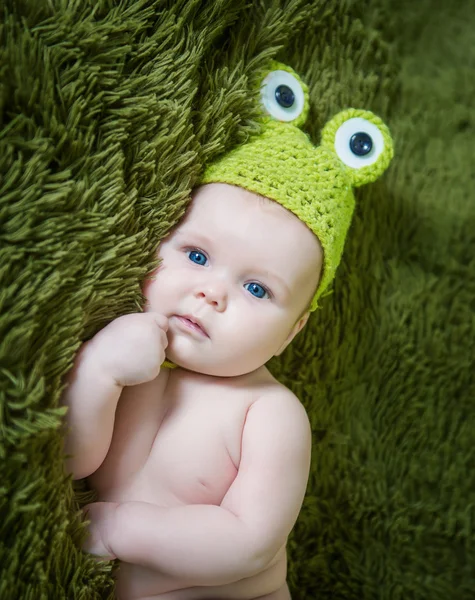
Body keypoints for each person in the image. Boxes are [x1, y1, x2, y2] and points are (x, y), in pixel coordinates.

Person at [62, 63, 394, 600]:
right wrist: (97, 371)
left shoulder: (268, 412)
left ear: (293, 331)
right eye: (196, 255)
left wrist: (120, 528)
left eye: (258, 290)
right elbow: (74, 461)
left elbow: (248, 542)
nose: (211, 293)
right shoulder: (130, 360)